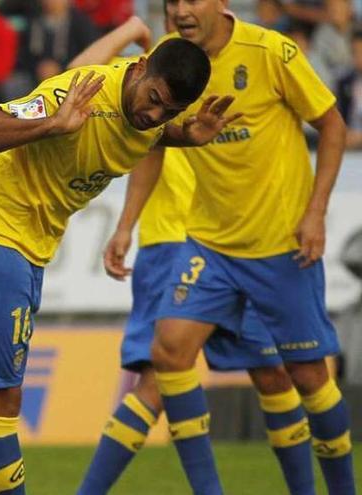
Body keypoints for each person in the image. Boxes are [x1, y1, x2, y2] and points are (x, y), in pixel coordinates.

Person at [0, 37, 240, 494]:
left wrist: (187, 134)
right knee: (1, 400)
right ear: (141, 68)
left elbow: (150, 130)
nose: (154, 115)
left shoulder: (152, 115)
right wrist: (50, 124)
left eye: (169, 111)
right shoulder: (78, 93)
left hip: (21, 247)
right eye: (154, 100)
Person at [71, 14, 321, 495]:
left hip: (233, 242)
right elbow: (79, 76)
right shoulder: (158, 69)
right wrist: (130, 30)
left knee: (270, 373)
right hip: (173, 239)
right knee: (160, 376)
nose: (183, 12)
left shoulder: (244, 61)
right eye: (174, 5)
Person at [138, 0, 355, 493]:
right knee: (169, 350)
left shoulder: (269, 51)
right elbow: (153, 137)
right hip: (209, 245)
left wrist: (315, 212)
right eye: (171, 3)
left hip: (280, 245)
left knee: (307, 378)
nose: (180, 11)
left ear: (220, 2)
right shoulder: (172, 59)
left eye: (191, 0)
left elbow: (333, 126)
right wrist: (181, 136)